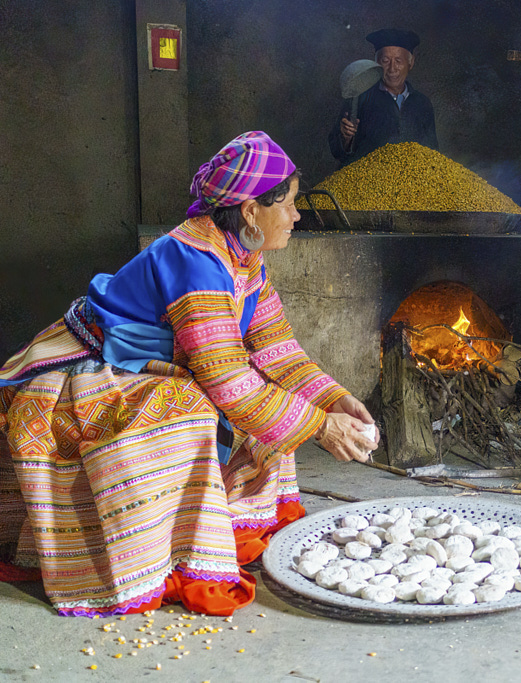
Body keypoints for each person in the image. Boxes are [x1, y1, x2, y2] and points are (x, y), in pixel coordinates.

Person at [0, 131, 378, 616]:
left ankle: (231, 525)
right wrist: (322, 429)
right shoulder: (195, 259)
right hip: (98, 365)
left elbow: (277, 351)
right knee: (193, 412)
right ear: (250, 212)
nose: (297, 216)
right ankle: (163, 555)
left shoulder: (245, 257)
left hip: (157, 361)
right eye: (289, 205)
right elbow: (229, 384)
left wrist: (333, 400)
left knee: (274, 402)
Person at [328, 28, 439, 167]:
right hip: (365, 181)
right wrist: (346, 138)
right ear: (376, 63)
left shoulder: (422, 103)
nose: (392, 68)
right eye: (385, 60)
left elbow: (433, 152)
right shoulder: (359, 96)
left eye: (399, 61)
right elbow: (337, 152)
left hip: (410, 183)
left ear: (411, 63)